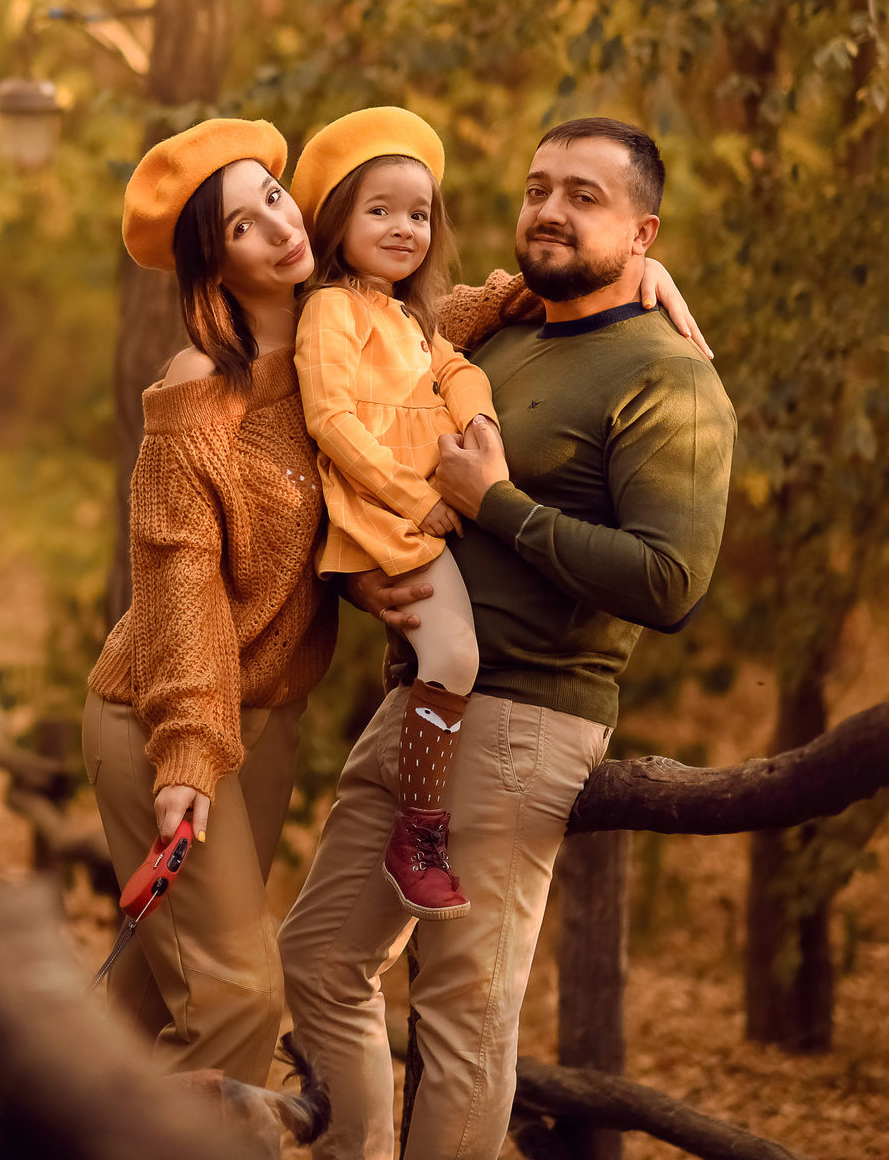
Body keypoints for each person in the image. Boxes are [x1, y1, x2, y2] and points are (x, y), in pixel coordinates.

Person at [278, 116, 736, 1160]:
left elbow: (669, 582)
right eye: (538, 188)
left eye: (584, 195)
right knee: (316, 958)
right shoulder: (500, 334)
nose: (550, 210)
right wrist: (370, 589)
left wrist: (496, 503)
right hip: (421, 697)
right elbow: (373, 444)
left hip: (528, 720)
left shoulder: (668, 378)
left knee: (462, 1017)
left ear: (643, 229)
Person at [82, 117, 532, 1084]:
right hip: (165, 715)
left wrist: (620, 275)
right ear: (213, 261)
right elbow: (180, 581)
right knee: (240, 996)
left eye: (275, 198)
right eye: (244, 225)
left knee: (157, 1002)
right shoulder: (200, 393)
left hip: (268, 716)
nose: (280, 228)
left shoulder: (345, 318)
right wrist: (190, 750)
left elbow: (442, 329)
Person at [285, 108, 496, 923]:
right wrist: (417, 501)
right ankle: (420, 830)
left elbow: (456, 366)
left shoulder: (411, 317)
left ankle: (414, 803)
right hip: (383, 515)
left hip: (423, 508)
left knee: (438, 654)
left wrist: (482, 423)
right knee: (453, 650)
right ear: (338, 221)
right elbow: (332, 423)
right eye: (380, 210)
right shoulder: (331, 312)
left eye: (418, 213)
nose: (403, 228)